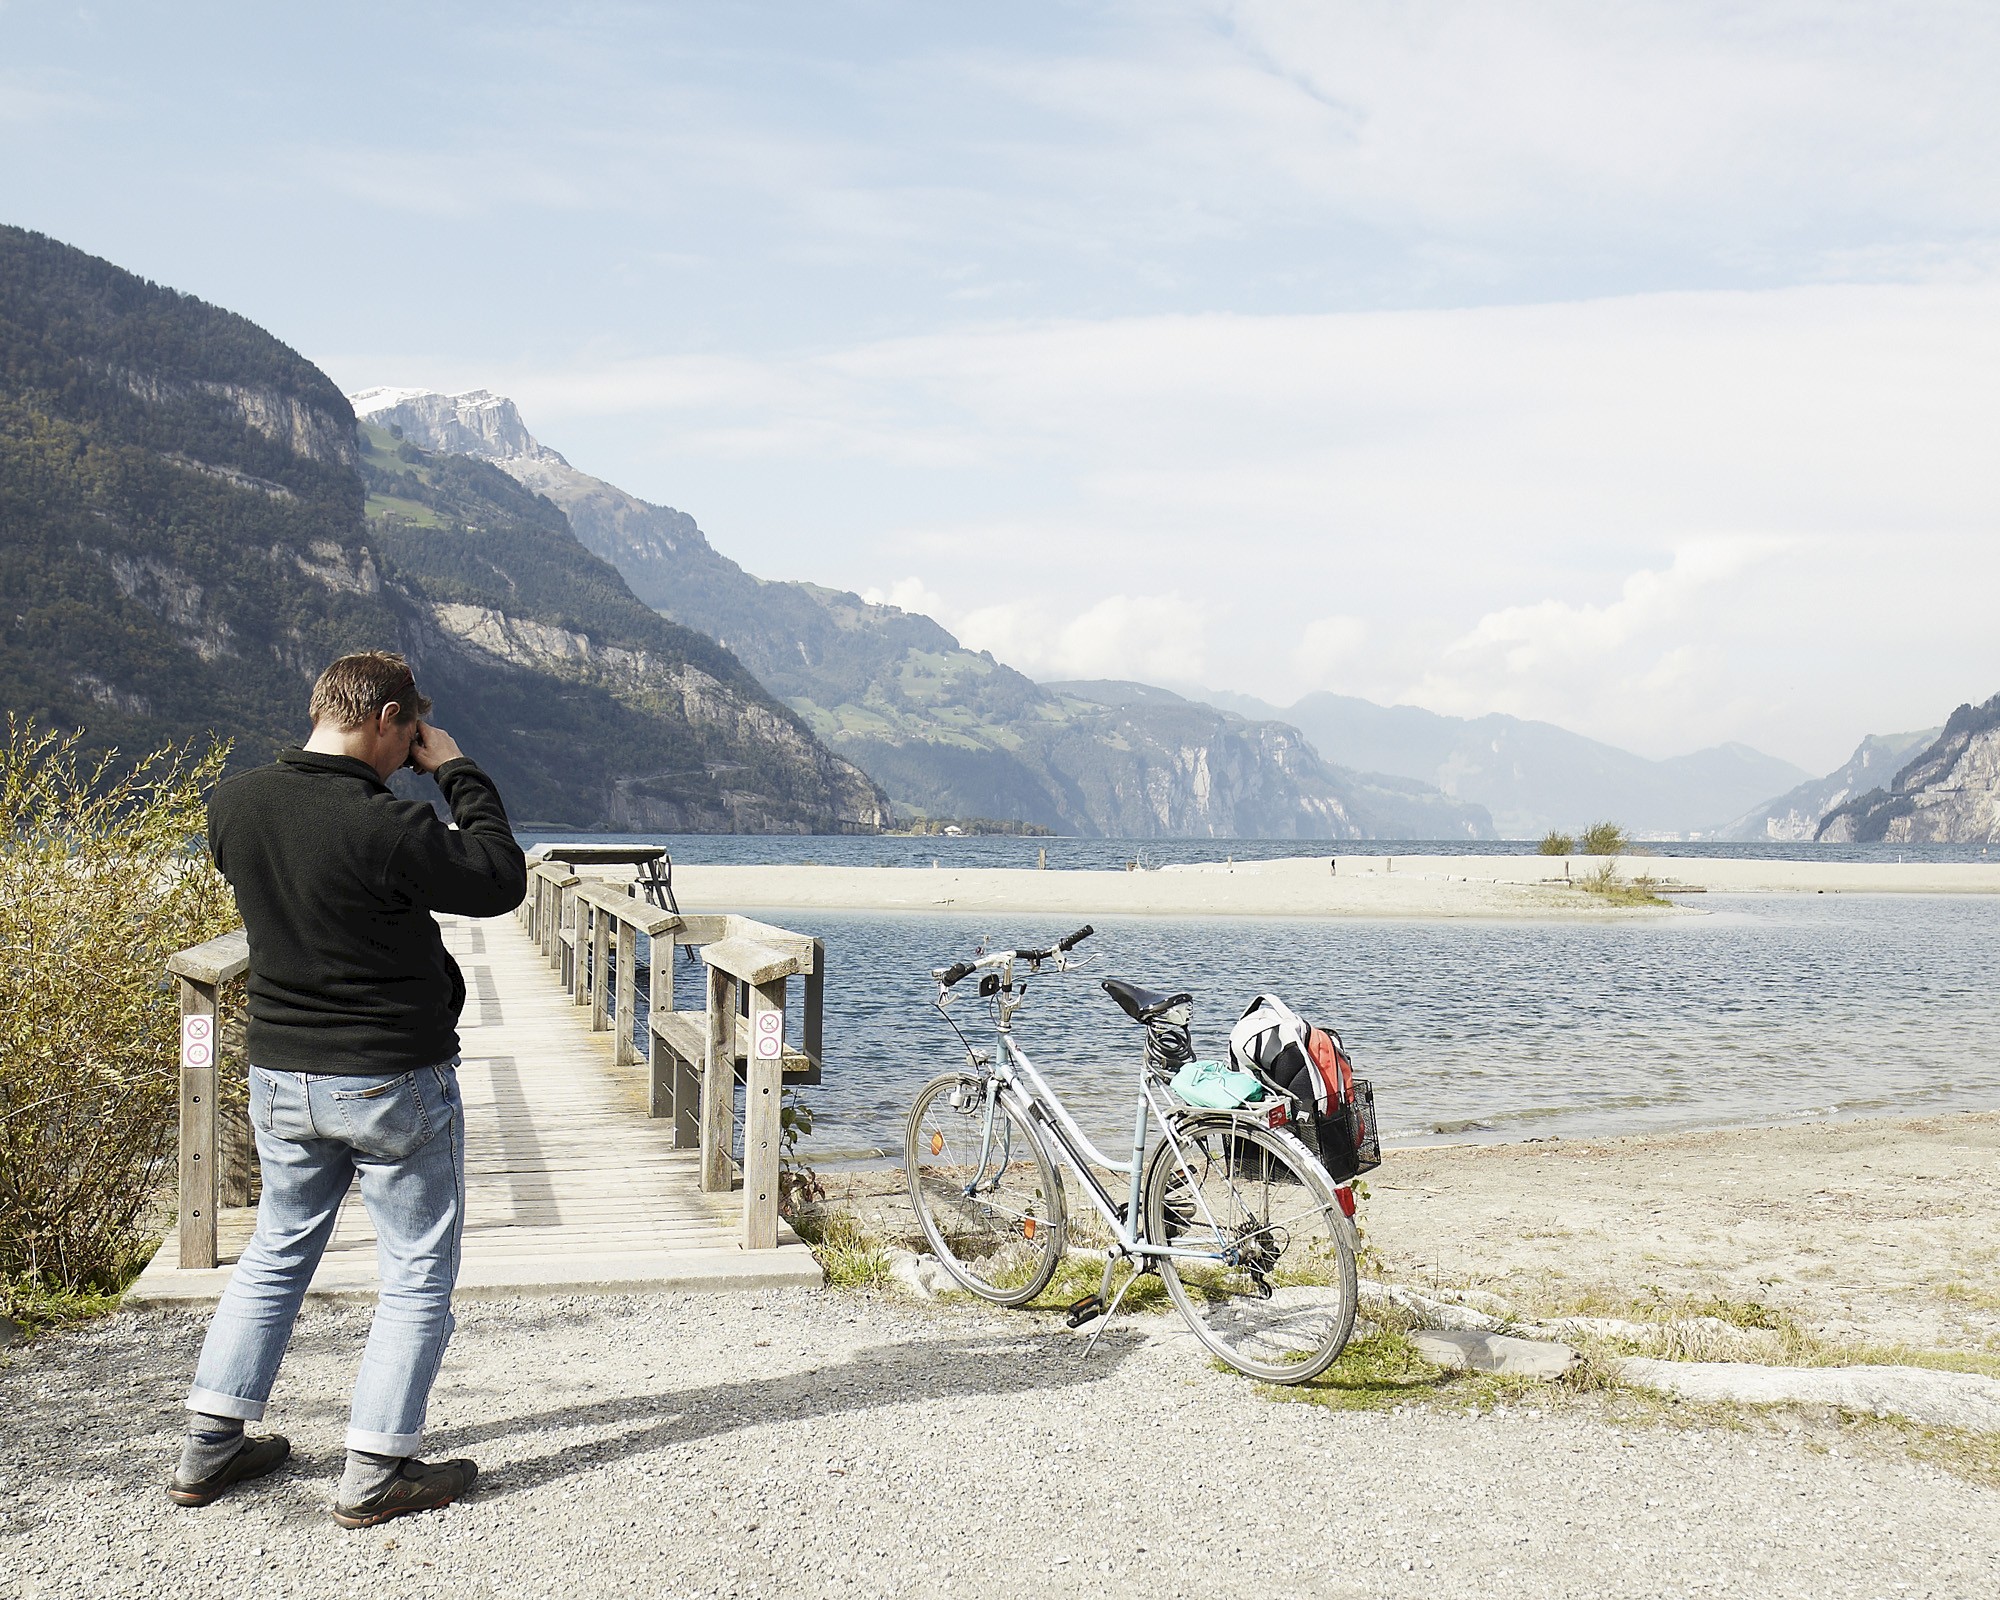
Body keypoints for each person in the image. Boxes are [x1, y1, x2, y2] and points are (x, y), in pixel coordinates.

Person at [166, 651, 526, 1527]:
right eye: (410, 736)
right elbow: (498, 879)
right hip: (392, 1078)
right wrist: (458, 772)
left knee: (275, 1253)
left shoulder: (233, 806)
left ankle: (209, 1446)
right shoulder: (391, 826)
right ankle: (377, 1469)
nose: (411, 753)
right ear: (388, 717)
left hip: (282, 1074)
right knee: (414, 1274)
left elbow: (305, 897)